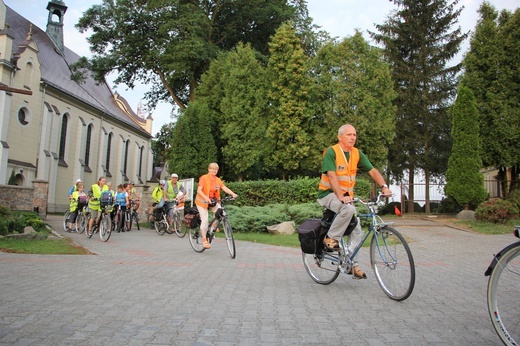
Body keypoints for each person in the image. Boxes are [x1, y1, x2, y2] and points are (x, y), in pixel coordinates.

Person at [317, 124, 391, 279]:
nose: (352, 137)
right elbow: (331, 176)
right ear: (340, 137)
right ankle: (330, 238)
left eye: (354, 135)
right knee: (349, 210)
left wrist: (384, 186)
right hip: (328, 194)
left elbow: (372, 171)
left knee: (357, 230)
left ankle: (352, 264)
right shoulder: (332, 152)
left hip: (345, 197)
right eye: (349, 134)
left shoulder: (357, 154)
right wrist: (340, 196)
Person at [195, 163, 237, 249]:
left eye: (216, 169)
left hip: (212, 201)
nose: (214, 171)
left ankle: (213, 227)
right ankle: (204, 240)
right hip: (202, 201)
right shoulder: (204, 178)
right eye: (212, 169)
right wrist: (206, 198)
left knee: (220, 212)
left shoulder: (217, 180)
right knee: (205, 220)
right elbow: (199, 190)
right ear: (209, 169)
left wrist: (233, 194)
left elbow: (224, 188)